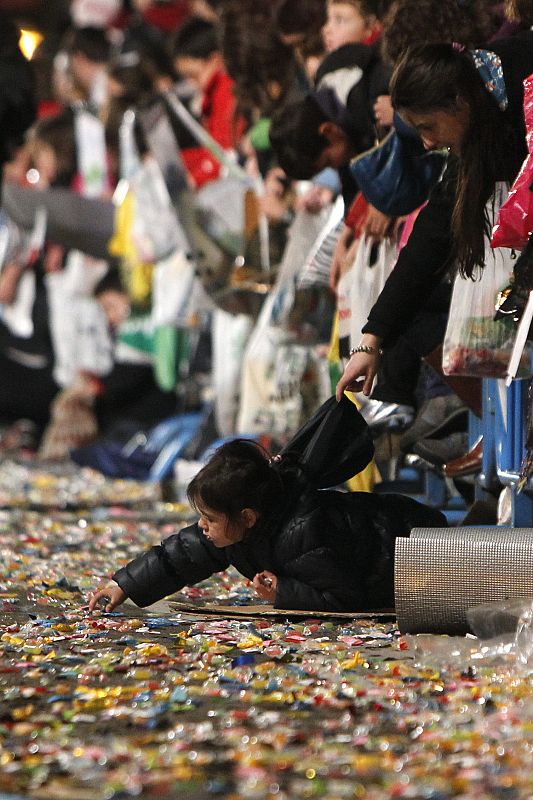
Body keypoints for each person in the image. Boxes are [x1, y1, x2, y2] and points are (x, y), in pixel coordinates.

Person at [88, 396, 446, 613]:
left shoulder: (306, 532)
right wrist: (124, 586)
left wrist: (283, 593)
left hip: (422, 551)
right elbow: (181, 554)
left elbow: (346, 594)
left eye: (209, 518)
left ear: (247, 517)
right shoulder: (237, 531)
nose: (202, 526)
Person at [336, 33, 533, 401]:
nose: (427, 143)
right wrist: (371, 339)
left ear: (458, 103)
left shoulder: (522, 86)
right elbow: (431, 235)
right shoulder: (478, 112)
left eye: (427, 127)